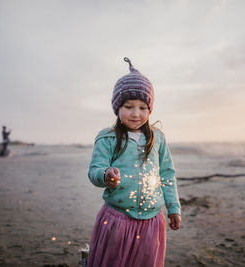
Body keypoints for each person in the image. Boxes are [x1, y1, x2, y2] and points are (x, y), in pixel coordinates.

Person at [87, 57, 181, 267]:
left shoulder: (158, 138)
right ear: (117, 108)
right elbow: (94, 170)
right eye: (128, 106)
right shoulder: (107, 137)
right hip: (117, 220)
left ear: (150, 110)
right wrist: (105, 175)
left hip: (152, 222)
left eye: (143, 108)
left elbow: (167, 174)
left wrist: (173, 207)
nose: (136, 114)